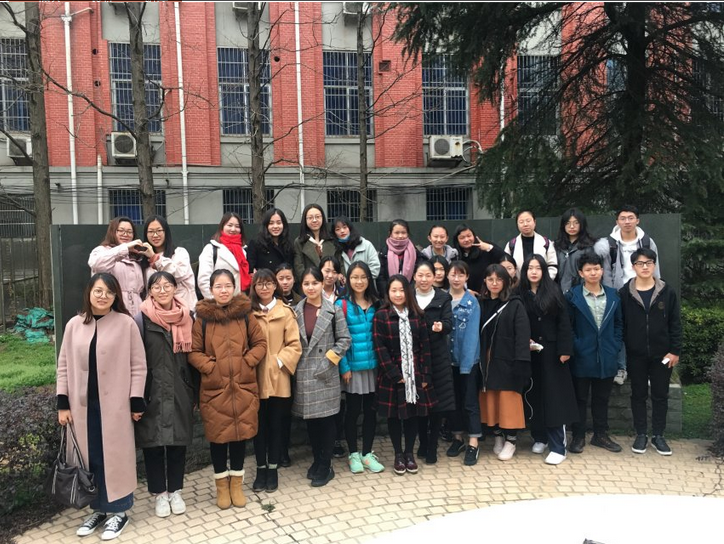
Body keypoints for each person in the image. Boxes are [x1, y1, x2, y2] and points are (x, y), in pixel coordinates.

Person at [56, 273, 146, 541]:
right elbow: (63, 366)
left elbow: (138, 365)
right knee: (89, 458)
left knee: (115, 459)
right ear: (89, 292)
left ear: (116, 296)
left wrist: (136, 399)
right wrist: (62, 402)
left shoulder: (126, 324)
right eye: (98, 290)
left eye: (109, 292)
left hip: (115, 407)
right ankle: (97, 509)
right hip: (82, 408)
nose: (103, 296)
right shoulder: (74, 325)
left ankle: (119, 511)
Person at [189, 269, 267, 509]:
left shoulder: (245, 315)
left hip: (243, 386)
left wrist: (247, 362)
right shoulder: (203, 319)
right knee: (218, 438)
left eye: (227, 286)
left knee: (239, 437)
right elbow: (193, 352)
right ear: (210, 289)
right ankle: (222, 487)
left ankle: (236, 485)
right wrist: (211, 368)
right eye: (218, 286)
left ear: (234, 288)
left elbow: (260, 343)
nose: (223, 291)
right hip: (215, 389)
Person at [133, 272, 195, 517]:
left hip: (180, 388)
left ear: (175, 288)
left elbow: (193, 358)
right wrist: (137, 395)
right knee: (154, 444)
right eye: (156, 286)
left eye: (167, 285)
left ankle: (175, 491)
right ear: (150, 291)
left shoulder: (187, 317)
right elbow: (134, 360)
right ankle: (159, 494)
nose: (162, 290)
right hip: (152, 390)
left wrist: (194, 391)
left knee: (178, 443)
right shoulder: (140, 319)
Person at [516, 255, 578, 465]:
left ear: (544, 270)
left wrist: (565, 349)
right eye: (530, 268)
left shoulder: (554, 291)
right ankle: (539, 437)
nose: (533, 272)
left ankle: (558, 446)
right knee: (534, 394)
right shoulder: (519, 294)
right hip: (530, 352)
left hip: (552, 352)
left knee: (554, 397)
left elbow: (564, 322)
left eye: (538, 268)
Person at [619, 248, 681, 456]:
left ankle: (658, 435)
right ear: (633, 267)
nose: (644, 267)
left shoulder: (667, 292)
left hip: (662, 355)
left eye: (649, 263)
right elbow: (621, 324)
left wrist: (674, 351)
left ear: (654, 265)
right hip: (635, 355)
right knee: (638, 394)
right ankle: (641, 434)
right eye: (640, 263)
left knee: (660, 395)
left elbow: (675, 323)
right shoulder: (625, 293)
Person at [293, 267, 351, 487]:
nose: (311, 287)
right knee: (311, 422)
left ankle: (326, 465)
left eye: (315, 283)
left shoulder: (333, 310)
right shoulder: (295, 311)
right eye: (306, 283)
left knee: (326, 421)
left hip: (325, 374)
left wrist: (329, 360)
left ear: (322, 283)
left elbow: (344, 340)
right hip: (304, 373)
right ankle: (317, 460)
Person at [373, 275, 436, 475]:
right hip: (392, 374)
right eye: (394, 290)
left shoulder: (417, 315)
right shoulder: (381, 315)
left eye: (401, 290)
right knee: (394, 416)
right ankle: (398, 454)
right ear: (388, 293)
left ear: (408, 292)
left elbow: (425, 347)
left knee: (412, 415)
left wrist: (425, 375)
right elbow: (380, 348)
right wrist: (394, 373)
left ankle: (409, 453)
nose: (398, 294)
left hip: (415, 373)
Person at [249, 269, 303, 493]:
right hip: (253, 378)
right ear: (254, 287)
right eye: (260, 284)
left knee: (276, 425)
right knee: (258, 426)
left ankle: (273, 469)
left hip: (279, 378)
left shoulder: (286, 312)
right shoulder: (248, 313)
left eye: (268, 283)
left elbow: (294, 344)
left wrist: (277, 362)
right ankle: (260, 468)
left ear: (275, 286)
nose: (264, 288)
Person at [566, 252, 623, 455]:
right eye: (588, 269)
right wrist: (578, 345)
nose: (593, 273)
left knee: (602, 398)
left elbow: (619, 324)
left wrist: (614, 345)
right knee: (580, 398)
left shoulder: (613, 295)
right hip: (582, 356)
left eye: (596, 269)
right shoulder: (572, 296)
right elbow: (568, 327)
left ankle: (600, 435)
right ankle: (578, 436)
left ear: (602, 271)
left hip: (606, 355)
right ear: (581, 273)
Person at [478, 264, 531, 461]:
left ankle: (511, 440)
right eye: (490, 279)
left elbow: (522, 334)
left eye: (499, 279)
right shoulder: (480, 303)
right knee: (491, 399)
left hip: (508, 358)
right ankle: (498, 436)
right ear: (485, 281)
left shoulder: (515, 304)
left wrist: (521, 361)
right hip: (486, 360)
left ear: (506, 281)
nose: (494, 283)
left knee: (508, 399)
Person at [336, 261, 385, 475]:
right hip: (352, 369)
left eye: (363, 277)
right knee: (353, 412)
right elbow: (338, 339)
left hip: (373, 367)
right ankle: (353, 454)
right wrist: (344, 367)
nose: (359, 281)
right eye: (355, 277)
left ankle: (366, 453)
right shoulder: (342, 305)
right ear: (348, 279)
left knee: (371, 412)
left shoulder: (377, 303)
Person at [605, 204, 661, 386]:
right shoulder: (609, 243)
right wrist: (610, 294)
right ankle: (621, 368)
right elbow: (606, 271)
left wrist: (656, 290)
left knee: (645, 328)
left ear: (638, 220)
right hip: (619, 292)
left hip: (644, 290)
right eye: (623, 218)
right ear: (617, 221)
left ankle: (649, 370)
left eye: (630, 218)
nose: (627, 222)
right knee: (620, 329)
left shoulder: (647, 242)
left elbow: (655, 267)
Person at [413, 261, 455, 465]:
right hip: (415, 355)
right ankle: (422, 442)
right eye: (420, 275)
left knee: (437, 404)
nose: (424, 279)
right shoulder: (408, 296)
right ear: (414, 276)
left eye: (428, 275)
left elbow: (449, 323)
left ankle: (432, 446)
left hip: (437, 355)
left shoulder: (443, 297)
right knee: (420, 403)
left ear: (434, 276)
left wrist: (442, 327)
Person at [445, 261, 482, 466]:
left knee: (469, 401)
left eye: (461, 275)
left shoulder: (471, 302)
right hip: (447, 361)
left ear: (467, 277)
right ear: (447, 276)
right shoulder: (442, 299)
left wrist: (466, 365)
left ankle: (473, 442)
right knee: (453, 401)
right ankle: (457, 437)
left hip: (467, 360)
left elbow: (472, 336)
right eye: (453, 274)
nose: (457, 279)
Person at [88, 216, 154, 317]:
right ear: (113, 232)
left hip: (137, 310)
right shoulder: (102, 250)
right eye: (121, 230)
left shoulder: (137, 256)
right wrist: (124, 248)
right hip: (112, 308)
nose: (125, 234)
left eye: (129, 232)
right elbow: (96, 264)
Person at [143, 215, 198, 312]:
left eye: (159, 231)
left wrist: (155, 258)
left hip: (182, 311)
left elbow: (178, 274)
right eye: (151, 231)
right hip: (156, 313)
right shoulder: (143, 259)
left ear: (166, 232)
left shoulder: (180, 253)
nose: (155, 235)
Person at [275, 262, 300, 467]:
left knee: (287, 413)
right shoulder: (270, 301)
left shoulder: (301, 300)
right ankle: (276, 450)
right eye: (281, 278)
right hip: (276, 365)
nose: (285, 282)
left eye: (288, 278)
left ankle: (284, 449)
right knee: (276, 411)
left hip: (296, 362)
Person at [197, 212, 251, 300]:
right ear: (222, 226)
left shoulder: (244, 251)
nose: (233, 229)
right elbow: (204, 280)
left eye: (237, 226)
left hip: (239, 302)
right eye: (229, 225)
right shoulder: (211, 249)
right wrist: (216, 301)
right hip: (218, 302)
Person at [555, 208, 609, 295]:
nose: (572, 226)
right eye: (568, 223)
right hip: (558, 293)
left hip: (583, 293)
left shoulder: (592, 247)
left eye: (576, 223)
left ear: (582, 224)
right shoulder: (556, 247)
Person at [451, 224, 506, 294]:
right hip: (465, 295)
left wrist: (489, 248)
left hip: (488, 294)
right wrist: (466, 291)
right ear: (457, 240)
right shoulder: (454, 254)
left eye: (469, 236)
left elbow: (505, 258)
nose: (466, 239)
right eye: (462, 238)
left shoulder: (486, 247)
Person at [504, 210, 558, 280]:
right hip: (519, 284)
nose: (525, 224)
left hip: (542, 284)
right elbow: (506, 266)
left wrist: (545, 281)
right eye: (521, 222)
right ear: (517, 224)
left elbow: (552, 265)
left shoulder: (546, 243)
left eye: (528, 221)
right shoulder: (511, 244)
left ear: (534, 222)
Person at [377, 219, 425, 294]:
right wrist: (389, 294)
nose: (400, 236)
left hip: (411, 295)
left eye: (403, 233)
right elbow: (380, 278)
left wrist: (409, 293)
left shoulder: (415, 252)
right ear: (390, 233)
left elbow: (419, 275)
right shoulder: (383, 253)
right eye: (396, 233)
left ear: (407, 233)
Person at [293, 204, 336, 281]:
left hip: (330, 283)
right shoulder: (299, 242)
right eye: (310, 218)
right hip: (310, 284)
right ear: (305, 220)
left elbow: (338, 265)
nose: (314, 220)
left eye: (318, 217)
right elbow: (299, 267)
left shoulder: (331, 240)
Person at [246, 208, 295, 275]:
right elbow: (251, 270)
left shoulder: (288, 245)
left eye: (279, 223)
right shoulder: (256, 244)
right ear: (266, 225)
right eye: (271, 223)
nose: (275, 226)